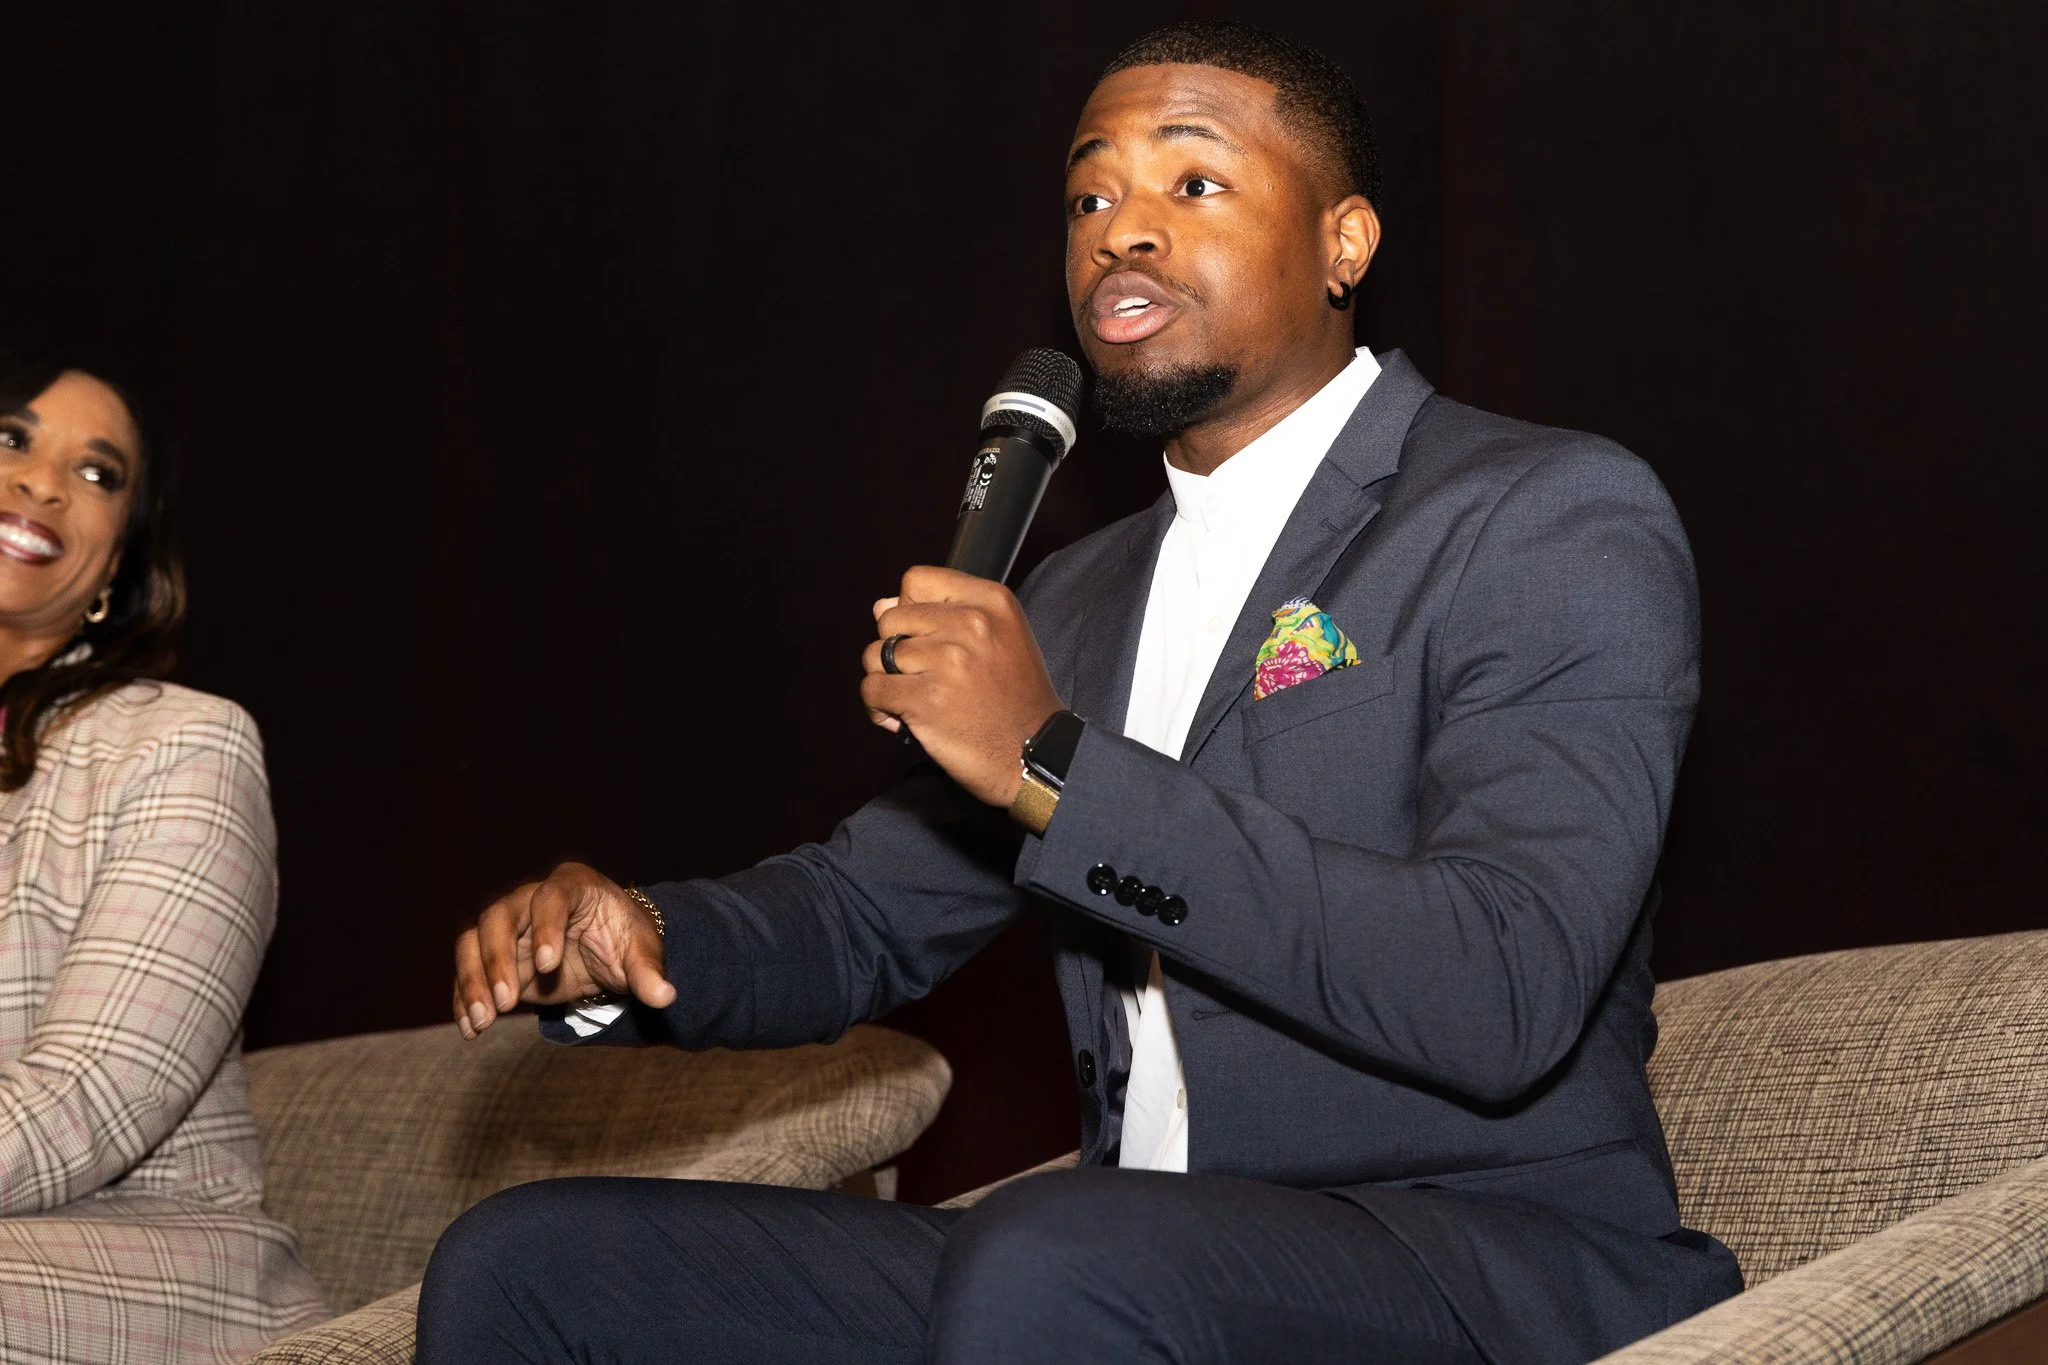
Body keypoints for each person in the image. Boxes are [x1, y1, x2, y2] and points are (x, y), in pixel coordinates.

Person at [429, 20, 1742, 1364]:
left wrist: (1052, 763)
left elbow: (1502, 983)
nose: (1123, 230)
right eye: (1090, 196)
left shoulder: (1542, 516)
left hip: (1478, 1266)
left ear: (1346, 243)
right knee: (537, 1264)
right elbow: (859, 912)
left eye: (1193, 183)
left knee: (1056, 1250)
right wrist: (635, 935)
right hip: (1116, 1262)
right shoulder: (1074, 597)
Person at [0, 352, 327, 1362]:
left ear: (119, 569)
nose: (45, 481)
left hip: (143, 1266)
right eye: (11, 439)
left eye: (98, 474)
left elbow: (92, 1098)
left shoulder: (182, 744)